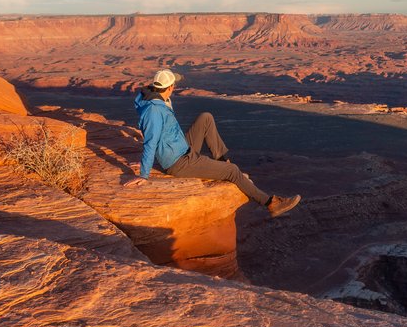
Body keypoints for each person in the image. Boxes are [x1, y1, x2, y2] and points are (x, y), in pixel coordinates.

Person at [129, 69, 301, 217]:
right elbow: (150, 141)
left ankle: (221, 160)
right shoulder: (154, 111)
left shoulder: (156, 98)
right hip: (179, 163)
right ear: (171, 87)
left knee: (206, 117)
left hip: (181, 148)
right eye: (175, 84)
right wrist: (144, 173)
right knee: (233, 171)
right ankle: (271, 203)